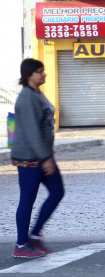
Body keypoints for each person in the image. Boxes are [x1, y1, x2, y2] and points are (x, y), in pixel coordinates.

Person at [10, 58, 64, 259]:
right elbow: (32, 132)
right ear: (29, 75)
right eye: (40, 71)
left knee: (57, 191)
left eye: (43, 70)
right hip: (30, 158)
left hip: (41, 155)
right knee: (27, 199)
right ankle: (21, 244)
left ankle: (34, 234)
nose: (44, 74)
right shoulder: (26, 97)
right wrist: (46, 158)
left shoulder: (36, 93)